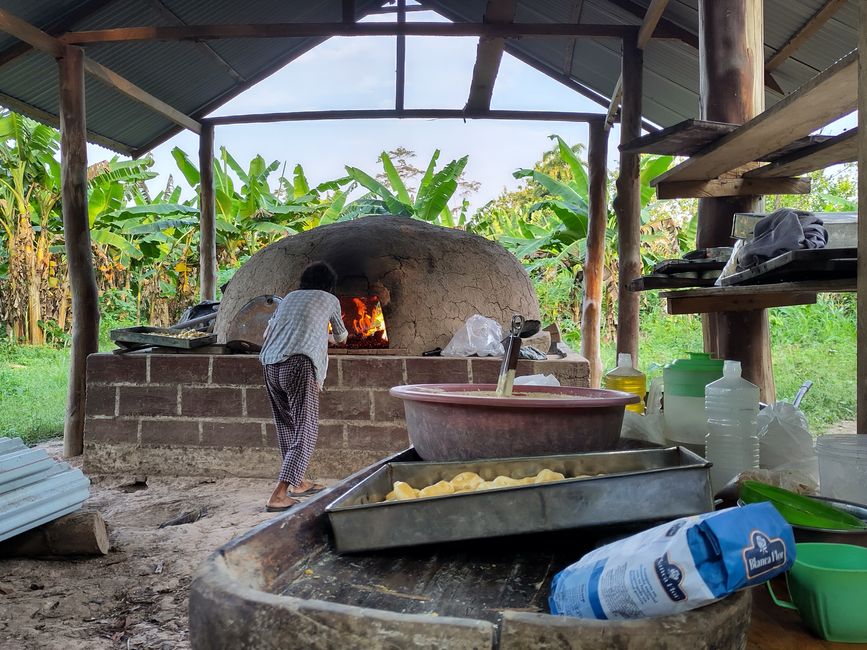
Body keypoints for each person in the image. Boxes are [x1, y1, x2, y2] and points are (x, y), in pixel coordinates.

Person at [259, 261, 347, 511]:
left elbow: (267, 335)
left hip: (270, 362)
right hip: (298, 363)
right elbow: (341, 337)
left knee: (287, 425)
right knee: (306, 429)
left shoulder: (288, 298)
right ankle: (278, 494)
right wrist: (326, 335)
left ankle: (297, 483)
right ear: (329, 285)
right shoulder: (329, 299)